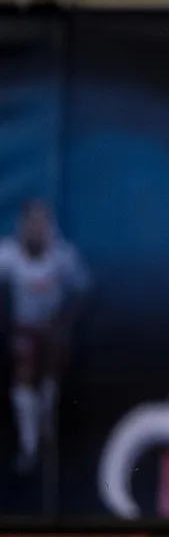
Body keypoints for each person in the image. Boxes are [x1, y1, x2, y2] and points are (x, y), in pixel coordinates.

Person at [0, 200, 87, 474]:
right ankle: (30, 447)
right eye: (31, 222)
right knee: (23, 383)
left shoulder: (63, 256)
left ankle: (48, 433)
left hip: (53, 330)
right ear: (22, 225)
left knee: (49, 387)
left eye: (42, 222)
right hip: (23, 328)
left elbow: (83, 289)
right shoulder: (8, 254)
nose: (36, 229)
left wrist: (66, 322)